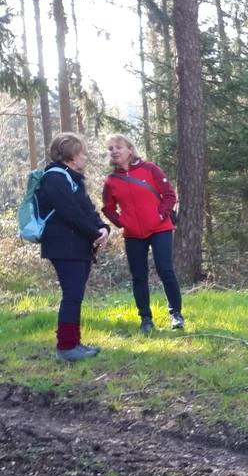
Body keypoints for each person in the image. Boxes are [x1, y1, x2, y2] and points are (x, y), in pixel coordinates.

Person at [36, 133, 110, 362]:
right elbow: (72, 214)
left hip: (76, 245)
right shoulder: (54, 179)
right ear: (71, 156)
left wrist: (102, 228)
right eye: (82, 154)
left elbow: (87, 209)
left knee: (75, 295)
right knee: (72, 295)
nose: (84, 158)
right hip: (64, 247)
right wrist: (94, 234)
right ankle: (66, 347)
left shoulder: (72, 179)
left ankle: (74, 343)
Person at [101, 134, 183, 335]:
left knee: (166, 271)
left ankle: (176, 314)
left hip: (160, 228)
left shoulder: (150, 169)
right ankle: (145, 319)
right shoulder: (111, 180)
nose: (114, 151)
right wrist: (122, 222)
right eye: (111, 148)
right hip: (133, 234)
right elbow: (108, 208)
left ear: (130, 149)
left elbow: (169, 195)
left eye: (118, 147)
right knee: (139, 277)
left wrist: (161, 214)